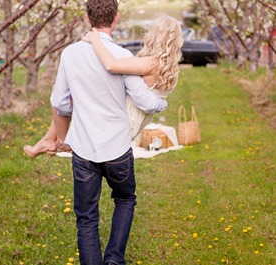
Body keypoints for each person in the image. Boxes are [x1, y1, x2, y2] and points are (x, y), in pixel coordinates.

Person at [48, 0, 168, 265]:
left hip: (84, 150)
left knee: (86, 219)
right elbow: (144, 101)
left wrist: (61, 135)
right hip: (116, 148)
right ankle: (114, 262)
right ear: (115, 19)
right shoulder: (121, 57)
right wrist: (163, 101)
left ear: (87, 19)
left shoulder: (70, 55)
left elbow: (59, 102)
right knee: (125, 199)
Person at [23, 13, 183, 157]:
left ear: (154, 36)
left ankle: (60, 140)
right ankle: (49, 139)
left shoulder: (150, 63)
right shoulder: (170, 68)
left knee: (64, 92)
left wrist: (96, 40)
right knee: (67, 93)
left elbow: (111, 64)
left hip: (119, 123)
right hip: (136, 120)